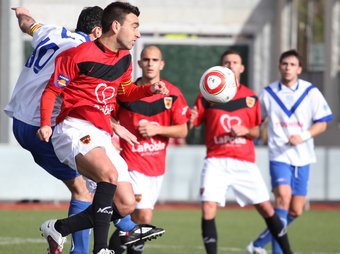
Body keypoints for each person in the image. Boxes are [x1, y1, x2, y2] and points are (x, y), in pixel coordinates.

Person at [36, 2, 168, 254]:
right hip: (73, 127)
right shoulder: (77, 55)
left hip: (101, 133)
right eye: (135, 26)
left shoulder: (125, 59)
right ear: (116, 26)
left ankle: (59, 228)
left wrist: (148, 90)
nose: (138, 33)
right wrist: (44, 123)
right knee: (108, 176)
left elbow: (125, 92)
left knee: (127, 204)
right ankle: (101, 248)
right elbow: (52, 90)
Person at [4, 6, 103, 254]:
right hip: (42, 126)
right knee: (88, 187)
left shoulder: (52, 32)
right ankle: (79, 247)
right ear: (96, 31)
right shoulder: (83, 53)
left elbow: (28, 23)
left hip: (19, 122)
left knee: (90, 183)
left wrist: (20, 13)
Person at [189, 50, 294, 254]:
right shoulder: (206, 95)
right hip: (216, 159)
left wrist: (247, 130)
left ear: (241, 68)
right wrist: (189, 117)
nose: (230, 66)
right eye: (226, 63)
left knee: (266, 208)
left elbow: (259, 132)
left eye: (234, 62)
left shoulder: (251, 98)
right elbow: (192, 123)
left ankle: (288, 252)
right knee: (208, 207)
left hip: (244, 161)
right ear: (220, 67)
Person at [247, 49, 333, 254]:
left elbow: (323, 124)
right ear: (279, 66)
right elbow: (255, 122)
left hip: (303, 157)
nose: (288, 68)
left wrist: (302, 136)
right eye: (284, 64)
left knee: (296, 209)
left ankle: (258, 244)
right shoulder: (267, 93)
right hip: (278, 155)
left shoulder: (310, 92)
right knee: (282, 198)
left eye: (292, 64)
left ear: (299, 69)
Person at [108, 45, 190, 254]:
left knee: (135, 218)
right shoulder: (127, 93)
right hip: (131, 163)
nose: (150, 64)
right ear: (139, 63)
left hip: (156, 168)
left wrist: (158, 129)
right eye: (146, 60)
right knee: (142, 215)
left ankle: (109, 249)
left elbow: (183, 130)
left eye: (154, 60)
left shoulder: (172, 93)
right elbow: (108, 116)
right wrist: (113, 137)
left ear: (161, 64)